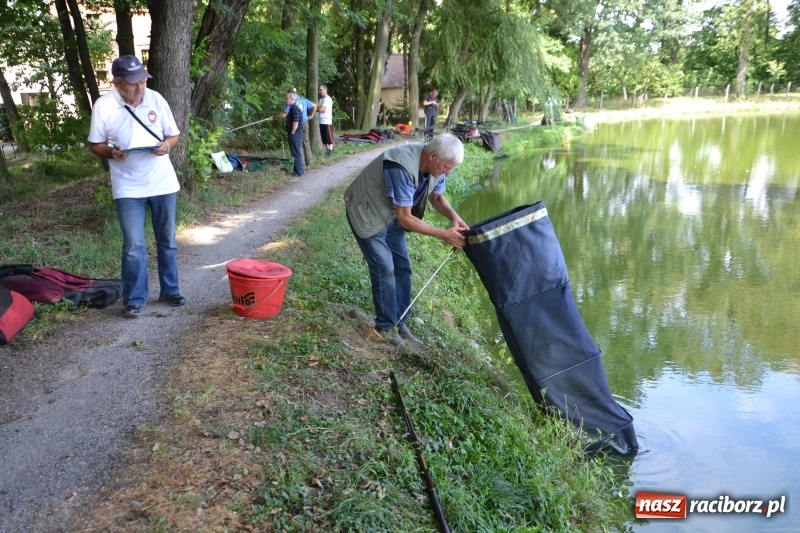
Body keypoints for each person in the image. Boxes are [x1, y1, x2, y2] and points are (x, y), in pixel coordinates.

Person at [344, 133, 468, 348]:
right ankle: (384, 328)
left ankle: (400, 324)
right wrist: (443, 234)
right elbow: (405, 218)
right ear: (433, 156)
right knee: (384, 267)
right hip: (367, 212)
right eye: (447, 167)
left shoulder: (435, 165)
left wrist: (454, 218)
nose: (448, 172)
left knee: (403, 268)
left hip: (391, 213)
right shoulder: (399, 166)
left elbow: (436, 197)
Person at [87, 55, 185, 318]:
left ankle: (170, 290)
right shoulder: (104, 106)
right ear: (116, 83)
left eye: (142, 81)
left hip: (162, 182)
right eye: (133, 84)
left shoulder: (156, 99)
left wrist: (166, 145)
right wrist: (111, 153)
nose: (140, 88)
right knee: (133, 245)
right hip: (128, 187)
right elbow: (95, 144)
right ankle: (135, 298)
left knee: (168, 241)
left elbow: (174, 135)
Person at [269, 88, 316, 167]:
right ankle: (310, 162)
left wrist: (274, 117)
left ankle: (301, 165)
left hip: (297, 125)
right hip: (305, 123)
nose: (286, 99)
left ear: (291, 94)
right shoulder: (304, 100)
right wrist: (311, 115)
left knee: (298, 145)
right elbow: (315, 106)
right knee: (306, 143)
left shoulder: (291, 103)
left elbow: (284, 115)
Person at [283, 90, 304, 176]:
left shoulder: (295, 108)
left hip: (295, 133)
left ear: (292, 99)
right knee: (295, 152)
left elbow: (295, 122)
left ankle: (298, 172)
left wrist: (292, 132)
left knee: (296, 152)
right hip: (295, 133)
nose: (285, 100)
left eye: (287, 98)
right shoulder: (292, 108)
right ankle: (298, 171)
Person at [318, 84, 334, 156]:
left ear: (325, 90)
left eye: (321, 90)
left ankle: (330, 151)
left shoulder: (328, 99)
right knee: (324, 138)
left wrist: (320, 108)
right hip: (321, 121)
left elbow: (320, 109)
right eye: (319, 90)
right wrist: (319, 108)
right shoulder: (320, 100)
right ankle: (327, 151)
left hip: (327, 121)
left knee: (329, 137)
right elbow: (318, 108)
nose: (320, 91)